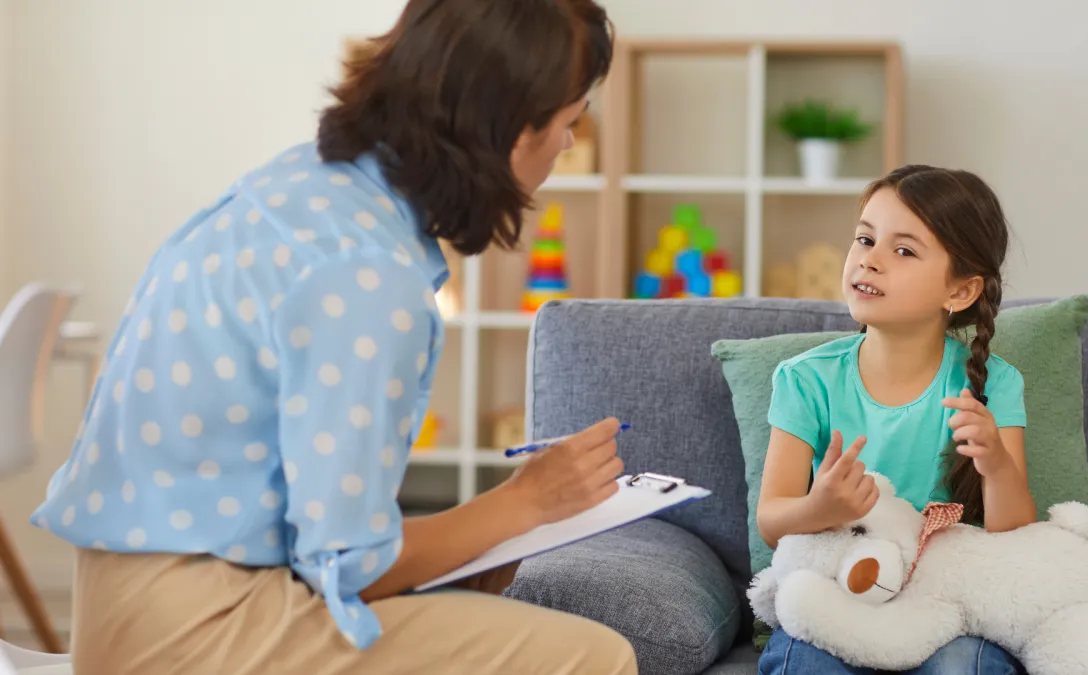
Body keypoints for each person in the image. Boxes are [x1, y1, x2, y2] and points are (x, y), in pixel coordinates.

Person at [30, 2, 638, 674]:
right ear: (512, 131)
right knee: (593, 656)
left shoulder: (308, 188)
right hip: (194, 626)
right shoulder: (368, 276)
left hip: (136, 602)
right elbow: (353, 564)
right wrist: (527, 500)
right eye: (568, 120)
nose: (568, 144)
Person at [755, 165, 1036, 675]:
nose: (870, 260)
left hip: (945, 607)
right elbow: (772, 522)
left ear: (961, 291)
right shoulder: (805, 380)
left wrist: (995, 465)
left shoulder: (996, 385)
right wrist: (821, 507)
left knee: (965, 666)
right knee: (804, 660)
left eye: (903, 250)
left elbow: (1014, 536)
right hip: (837, 595)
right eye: (865, 239)